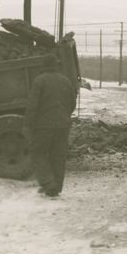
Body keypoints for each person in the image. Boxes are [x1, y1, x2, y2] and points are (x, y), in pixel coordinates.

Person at [24, 53, 76, 197]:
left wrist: (28, 124)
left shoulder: (40, 81)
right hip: (63, 125)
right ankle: (56, 187)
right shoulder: (65, 80)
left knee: (37, 152)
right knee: (58, 156)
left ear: (44, 66)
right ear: (56, 65)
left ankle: (48, 183)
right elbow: (72, 103)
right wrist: (64, 116)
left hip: (44, 126)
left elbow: (32, 106)